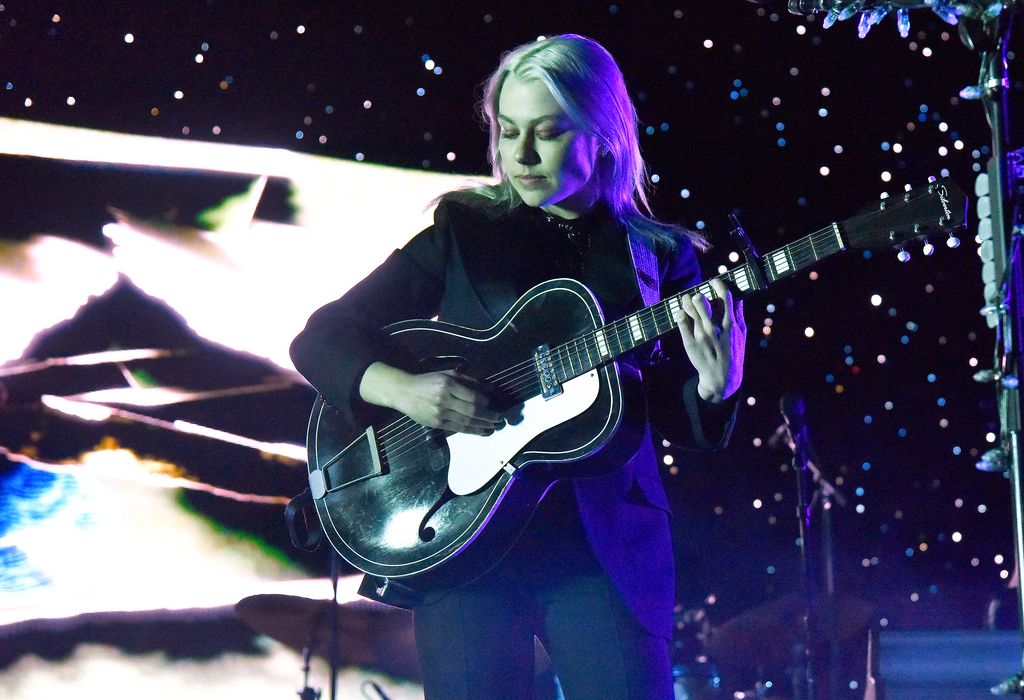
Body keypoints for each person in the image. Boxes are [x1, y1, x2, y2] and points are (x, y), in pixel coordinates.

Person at [289, 33, 746, 700]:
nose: (521, 155)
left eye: (548, 133)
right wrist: (406, 391)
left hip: (601, 549)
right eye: (508, 132)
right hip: (463, 538)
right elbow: (320, 338)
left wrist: (715, 387)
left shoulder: (661, 257)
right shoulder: (464, 230)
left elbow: (672, 418)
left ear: (604, 137)